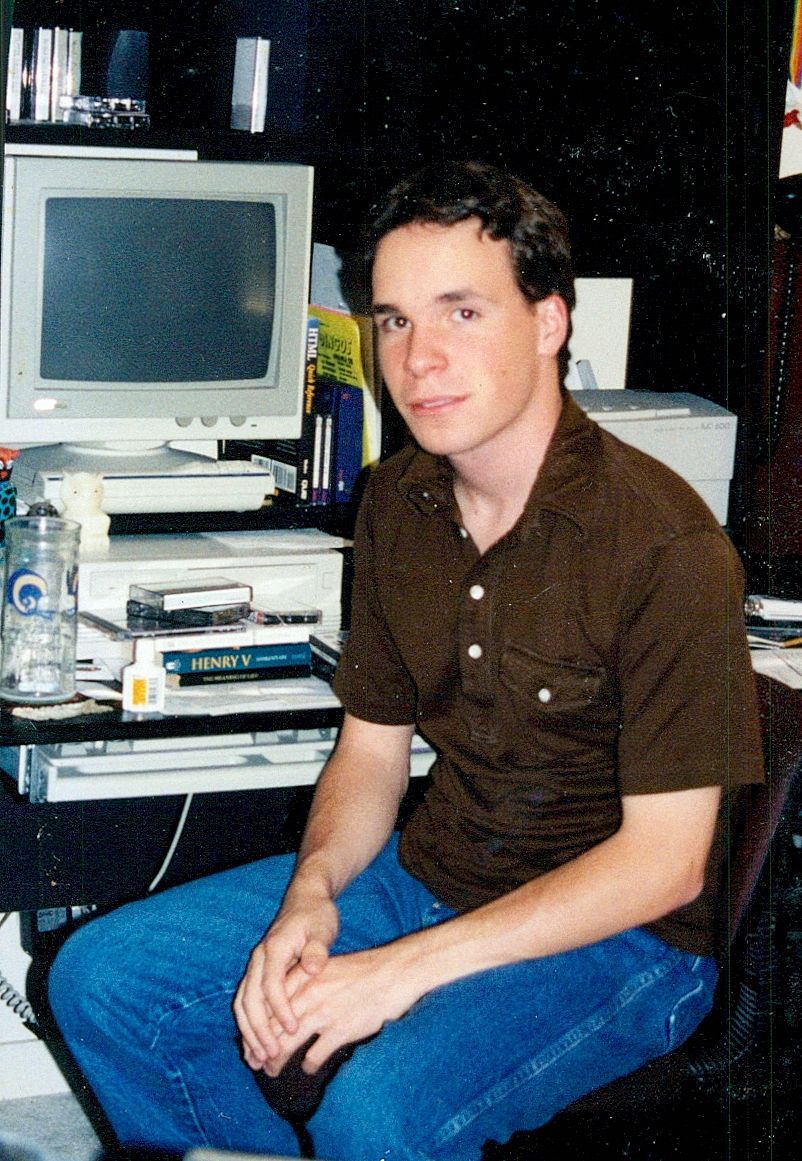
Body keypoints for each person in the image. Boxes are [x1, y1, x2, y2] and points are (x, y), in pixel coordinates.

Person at [48, 161, 764, 1161]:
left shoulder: (661, 546)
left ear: (549, 323)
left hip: (623, 942)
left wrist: (400, 972)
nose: (419, 357)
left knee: (375, 1109)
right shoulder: (398, 500)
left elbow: (665, 862)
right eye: (392, 321)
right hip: (434, 875)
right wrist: (314, 895)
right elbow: (372, 756)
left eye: (461, 312)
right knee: (107, 979)